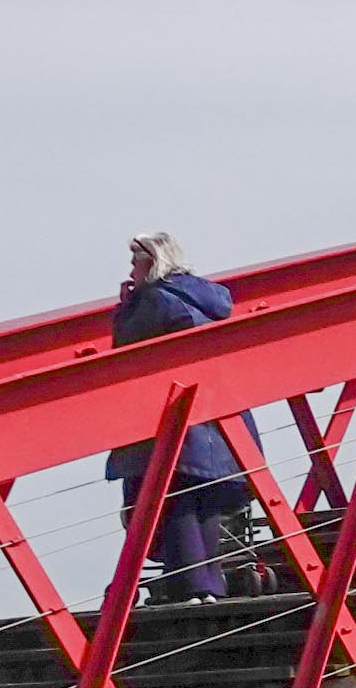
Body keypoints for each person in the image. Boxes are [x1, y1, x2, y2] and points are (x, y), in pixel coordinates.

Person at [102, 236, 253, 597]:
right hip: (215, 422)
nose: (131, 272)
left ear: (153, 263)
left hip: (172, 420)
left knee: (172, 502)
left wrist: (126, 307)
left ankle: (190, 589)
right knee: (203, 506)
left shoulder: (153, 300)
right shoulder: (207, 300)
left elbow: (129, 351)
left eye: (136, 263)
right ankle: (208, 586)